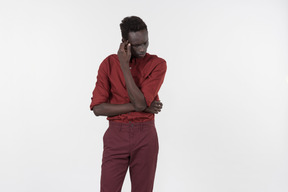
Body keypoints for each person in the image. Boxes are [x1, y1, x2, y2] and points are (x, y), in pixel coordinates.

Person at [90, 16, 167, 192]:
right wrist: (142, 107)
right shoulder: (108, 64)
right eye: (137, 45)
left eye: (145, 43)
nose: (142, 49)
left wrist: (125, 68)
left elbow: (140, 102)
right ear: (125, 42)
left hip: (145, 135)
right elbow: (98, 108)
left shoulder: (157, 64)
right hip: (116, 135)